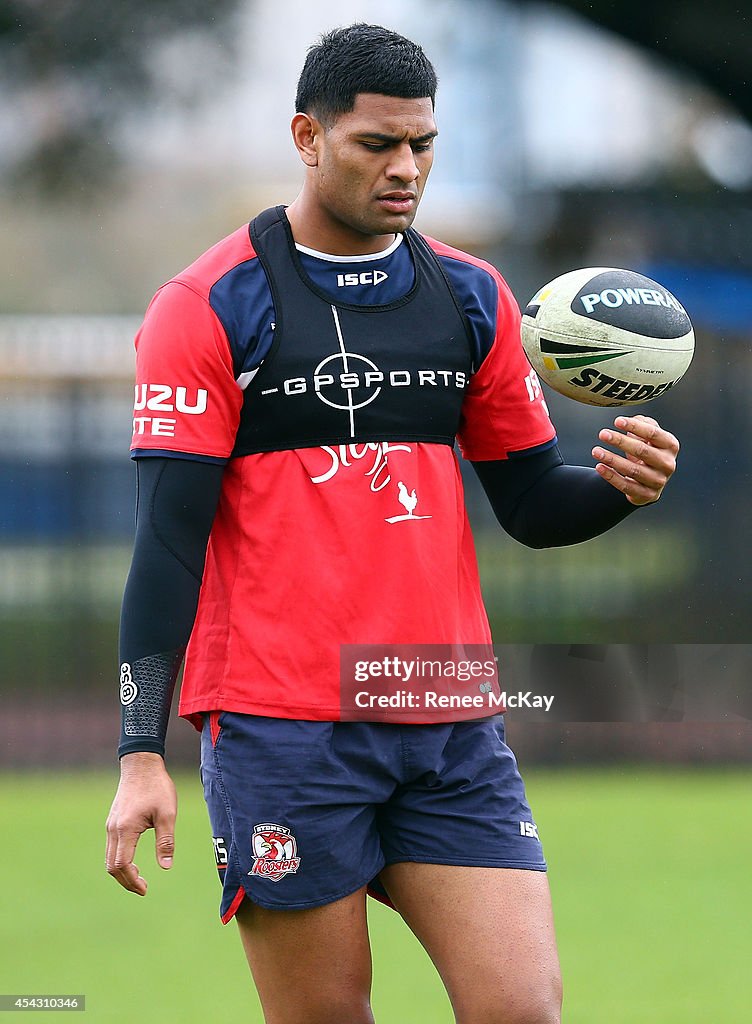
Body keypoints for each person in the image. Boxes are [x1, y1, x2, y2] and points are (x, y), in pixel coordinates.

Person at [105, 23, 679, 1024]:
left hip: (447, 716)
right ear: (307, 137)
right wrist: (138, 751)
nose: (404, 167)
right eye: (376, 143)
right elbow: (166, 542)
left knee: (520, 1009)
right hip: (282, 725)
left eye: (421, 143)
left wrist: (616, 487)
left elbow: (534, 504)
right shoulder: (207, 305)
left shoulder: (468, 297)